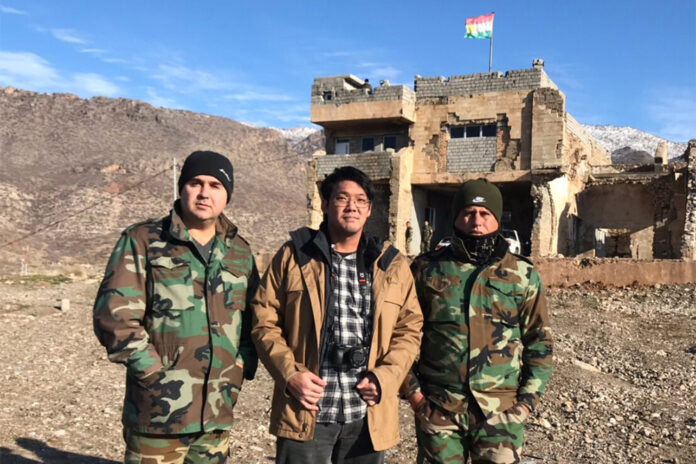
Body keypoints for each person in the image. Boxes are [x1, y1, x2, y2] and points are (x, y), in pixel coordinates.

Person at [93, 150, 258, 464]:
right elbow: (114, 315)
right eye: (195, 183)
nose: (204, 192)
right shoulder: (144, 240)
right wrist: (153, 373)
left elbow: (253, 321)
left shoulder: (240, 252)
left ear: (227, 195)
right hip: (159, 416)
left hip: (216, 417)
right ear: (182, 187)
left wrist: (240, 367)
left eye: (215, 185)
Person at [251, 166, 423, 464]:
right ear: (326, 204)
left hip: (367, 412)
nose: (351, 206)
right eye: (342, 198)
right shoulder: (294, 256)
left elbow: (410, 329)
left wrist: (386, 378)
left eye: (360, 200)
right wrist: (290, 374)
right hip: (307, 410)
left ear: (369, 209)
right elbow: (263, 320)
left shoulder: (391, 264)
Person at [400, 178, 553, 464]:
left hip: (501, 413)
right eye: (468, 213)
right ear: (456, 217)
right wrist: (415, 396)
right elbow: (400, 333)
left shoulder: (522, 273)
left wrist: (526, 404)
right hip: (439, 410)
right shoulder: (426, 269)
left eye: (485, 214)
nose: (476, 221)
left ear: (496, 219)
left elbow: (539, 341)